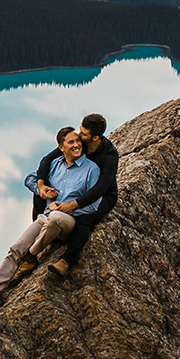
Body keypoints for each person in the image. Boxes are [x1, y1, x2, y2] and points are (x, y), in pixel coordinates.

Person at [0, 126, 100, 309]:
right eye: (71, 142)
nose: (77, 145)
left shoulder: (91, 169)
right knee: (16, 248)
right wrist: (42, 189)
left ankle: (32, 254)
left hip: (70, 221)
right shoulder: (55, 165)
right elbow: (29, 178)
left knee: (55, 218)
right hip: (45, 218)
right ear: (61, 147)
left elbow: (93, 206)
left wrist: (64, 208)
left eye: (78, 141)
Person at [33, 112, 118, 278]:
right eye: (80, 129)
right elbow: (46, 160)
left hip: (104, 195)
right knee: (39, 194)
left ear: (95, 138)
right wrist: (41, 185)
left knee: (86, 217)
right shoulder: (79, 144)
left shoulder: (109, 156)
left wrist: (72, 205)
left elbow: (101, 188)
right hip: (81, 188)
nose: (79, 135)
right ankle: (39, 230)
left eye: (84, 133)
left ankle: (66, 261)